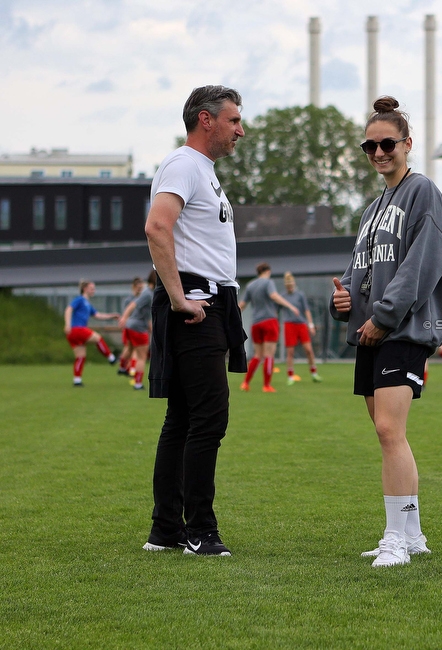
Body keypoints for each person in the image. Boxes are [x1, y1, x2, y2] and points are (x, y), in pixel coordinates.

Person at [330, 96, 442, 567]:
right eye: (370, 145)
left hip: (400, 331)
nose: (379, 152)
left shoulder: (423, 192)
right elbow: (357, 273)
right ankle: (413, 534)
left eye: (387, 144)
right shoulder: (371, 209)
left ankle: (395, 540)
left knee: (388, 430)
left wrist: (383, 317)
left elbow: (423, 264)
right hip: (371, 333)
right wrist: (344, 302)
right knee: (386, 434)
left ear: (407, 144)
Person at [143, 84, 248, 557]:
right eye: (234, 121)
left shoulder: (200, 170)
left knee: (183, 418)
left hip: (210, 302)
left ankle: (165, 530)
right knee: (209, 417)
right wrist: (179, 298)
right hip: (196, 304)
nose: (240, 131)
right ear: (206, 120)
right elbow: (157, 225)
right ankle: (199, 530)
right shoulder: (185, 163)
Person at [238, 262, 301, 393]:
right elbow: (273, 295)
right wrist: (290, 306)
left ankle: (245, 383)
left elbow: (242, 305)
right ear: (268, 271)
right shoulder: (268, 282)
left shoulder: (250, 285)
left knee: (257, 355)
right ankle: (266, 385)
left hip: (256, 323)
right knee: (269, 355)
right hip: (269, 321)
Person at [63, 279, 119, 386]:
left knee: (80, 356)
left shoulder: (87, 304)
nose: (94, 290)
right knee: (98, 338)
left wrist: (111, 316)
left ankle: (77, 380)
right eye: (92, 288)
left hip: (74, 333)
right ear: (85, 289)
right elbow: (68, 309)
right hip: (77, 329)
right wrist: (67, 324)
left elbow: (97, 315)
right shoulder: (80, 300)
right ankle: (111, 358)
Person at [279, 271, 321, 385]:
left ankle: (314, 373)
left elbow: (306, 310)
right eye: (288, 285)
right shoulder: (282, 297)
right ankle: (290, 376)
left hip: (301, 324)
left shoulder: (300, 295)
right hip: (289, 325)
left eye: (291, 284)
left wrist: (310, 324)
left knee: (308, 350)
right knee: (290, 352)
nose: (290, 287)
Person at [118, 271, 156, 390]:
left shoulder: (148, 292)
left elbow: (147, 315)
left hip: (132, 326)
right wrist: (124, 317)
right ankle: (138, 383)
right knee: (142, 357)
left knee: (129, 348)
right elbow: (132, 305)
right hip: (137, 327)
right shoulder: (148, 294)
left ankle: (123, 367)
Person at [118, 277, 144, 376]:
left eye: (141, 287)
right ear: (133, 287)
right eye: (138, 287)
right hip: (131, 327)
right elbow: (125, 312)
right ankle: (128, 368)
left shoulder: (143, 297)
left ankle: (126, 368)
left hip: (136, 326)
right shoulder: (129, 300)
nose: (140, 289)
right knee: (132, 349)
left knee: (133, 349)